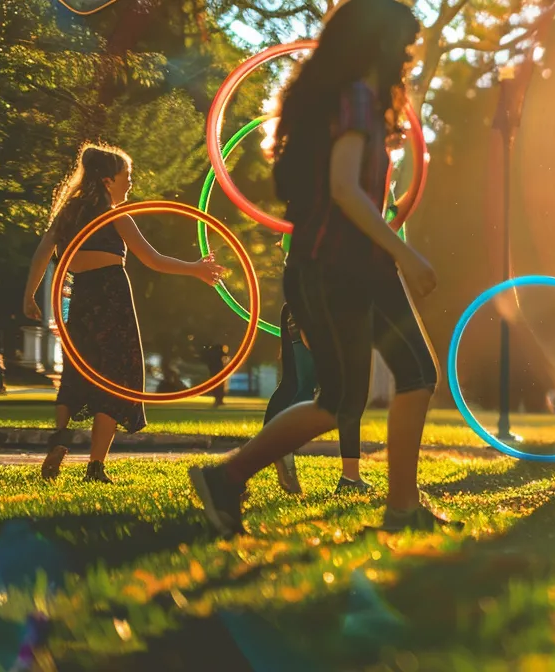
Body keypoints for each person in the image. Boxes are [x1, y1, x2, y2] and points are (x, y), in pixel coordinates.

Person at [187, 0, 448, 534]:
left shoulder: (364, 102)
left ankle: (402, 508)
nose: (409, 56)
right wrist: (404, 251)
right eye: (404, 44)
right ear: (378, 42)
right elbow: (344, 190)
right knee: (340, 399)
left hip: (359, 267)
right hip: (334, 268)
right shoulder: (353, 97)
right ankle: (227, 479)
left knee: (415, 375)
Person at [20, 143, 226, 484]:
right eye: (125, 177)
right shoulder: (116, 217)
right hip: (113, 297)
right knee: (117, 379)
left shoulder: (68, 215)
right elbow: (153, 260)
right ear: (106, 180)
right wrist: (195, 269)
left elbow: (42, 254)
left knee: (77, 370)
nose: (130, 183)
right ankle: (95, 467)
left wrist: (29, 296)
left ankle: (59, 438)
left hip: (83, 296)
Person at [262, 299, 318, 495]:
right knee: (303, 389)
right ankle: (281, 449)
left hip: (300, 308)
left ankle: (274, 448)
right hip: (309, 308)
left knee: (293, 385)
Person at [201, 343, 231, 407]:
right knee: (219, 387)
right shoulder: (220, 354)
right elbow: (225, 360)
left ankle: (218, 400)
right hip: (219, 372)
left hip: (216, 372)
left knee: (218, 387)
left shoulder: (214, 355)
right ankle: (219, 400)